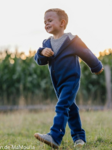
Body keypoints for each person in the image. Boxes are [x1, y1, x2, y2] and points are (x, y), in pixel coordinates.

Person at [34, 8, 103, 149]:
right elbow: (40, 61)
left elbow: (87, 53)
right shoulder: (46, 43)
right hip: (57, 83)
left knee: (62, 106)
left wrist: (97, 67)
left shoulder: (72, 40)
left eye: (50, 20)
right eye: (44, 22)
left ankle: (55, 136)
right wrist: (41, 53)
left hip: (71, 80)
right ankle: (79, 137)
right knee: (70, 108)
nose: (46, 23)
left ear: (62, 23)